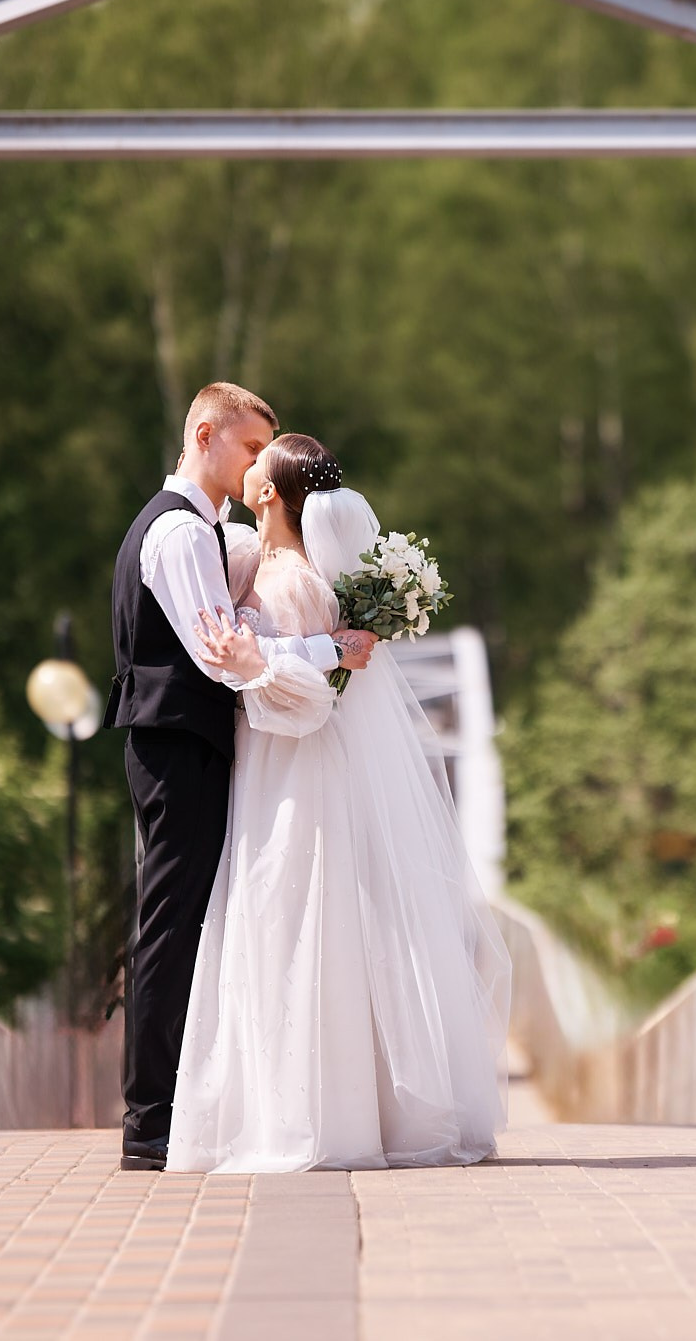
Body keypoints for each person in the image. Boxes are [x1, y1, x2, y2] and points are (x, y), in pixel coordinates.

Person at [165, 433, 508, 1172]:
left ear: (265, 493)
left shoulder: (293, 585)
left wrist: (254, 668)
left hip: (293, 776)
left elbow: (313, 706)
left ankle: (316, 1116)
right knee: (283, 921)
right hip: (269, 771)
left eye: (258, 458)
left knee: (294, 919)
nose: (246, 462)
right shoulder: (255, 562)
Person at [104, 383, 376, 1173]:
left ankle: (163, 1111)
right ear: (205, 434)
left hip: (181, 744)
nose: (260, 465)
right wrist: (332, 651)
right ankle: (149, 1120)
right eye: (253, 447)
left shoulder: (205, 534)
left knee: (180, 919)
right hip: (178, 745)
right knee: (170, 923)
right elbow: (222, 661)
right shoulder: (183, 537)